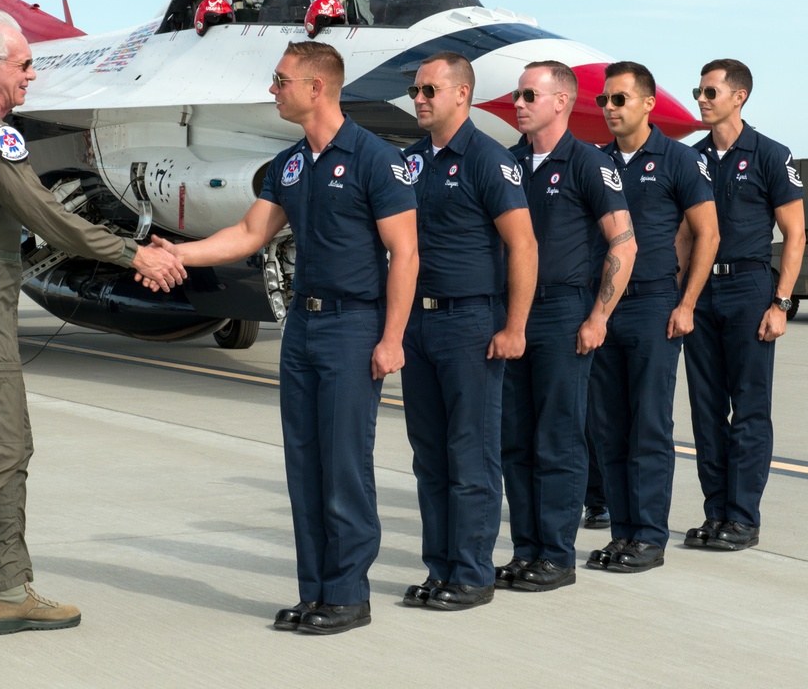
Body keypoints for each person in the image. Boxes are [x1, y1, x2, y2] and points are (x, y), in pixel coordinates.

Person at [0, 10, 186, 649]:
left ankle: (11, 590)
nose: (32, 75)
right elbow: (47, 214)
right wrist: (137, 253)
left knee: (2, 443)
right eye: (23, 65)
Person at [151, 41, 418, 634]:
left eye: (280, 80)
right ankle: (316, 592)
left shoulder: (376, 159)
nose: (272, 89)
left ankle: (349, 595)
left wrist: (392, 336)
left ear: (317, 86)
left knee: (345, 463)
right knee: (305, 463)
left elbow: (405, 253)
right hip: (302, 325)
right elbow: (249, 232)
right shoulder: (292, 163)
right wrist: (180, 251)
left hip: (354, 326)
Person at [399, 52, 537, 610]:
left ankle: (473, 573)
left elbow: (523, 245)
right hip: (417, 324)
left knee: (471, 454)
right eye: (415, 91)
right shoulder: (407, 162)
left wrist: (515, 326)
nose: (419, 99)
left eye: (430, 89)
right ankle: (441, 568)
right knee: (429, 455)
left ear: (462, 94)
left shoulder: (487, 159)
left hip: (469, 324)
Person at [497, 60, 636, 592]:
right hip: (512, 314)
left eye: (531, 94)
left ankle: (556, 555)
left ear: (561, 102)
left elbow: (624, 242)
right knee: (515, 440)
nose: (519, 102)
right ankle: (526, 549)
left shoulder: (587, 164)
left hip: (561, 312)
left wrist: (599, 316)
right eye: (518, 93)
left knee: (556, 438)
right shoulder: (507, 163)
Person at [586, 62, 718, 573]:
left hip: (651, 305)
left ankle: (648, 537)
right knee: (609, 427)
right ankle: (622, 533)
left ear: (647, 103)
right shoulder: (593, 161)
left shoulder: (679, 160)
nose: (610, 109)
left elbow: (707, 234)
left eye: (620, 99)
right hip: (601, 308)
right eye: (604, 100)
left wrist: (686, 303)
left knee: (647, 426)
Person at [682, 58, 805, 551]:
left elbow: (795, 235)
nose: (702, 99)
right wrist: (681, 297)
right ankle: (716, 514)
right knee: (706, 408)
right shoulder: (690, 158)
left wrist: (781, 302)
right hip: (701, 293)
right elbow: (682, 237)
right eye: (699, 91)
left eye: (711, 91)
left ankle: (743, 518)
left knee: (749, 409)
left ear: (740, 96)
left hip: (750, 289)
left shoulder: (772, 155)